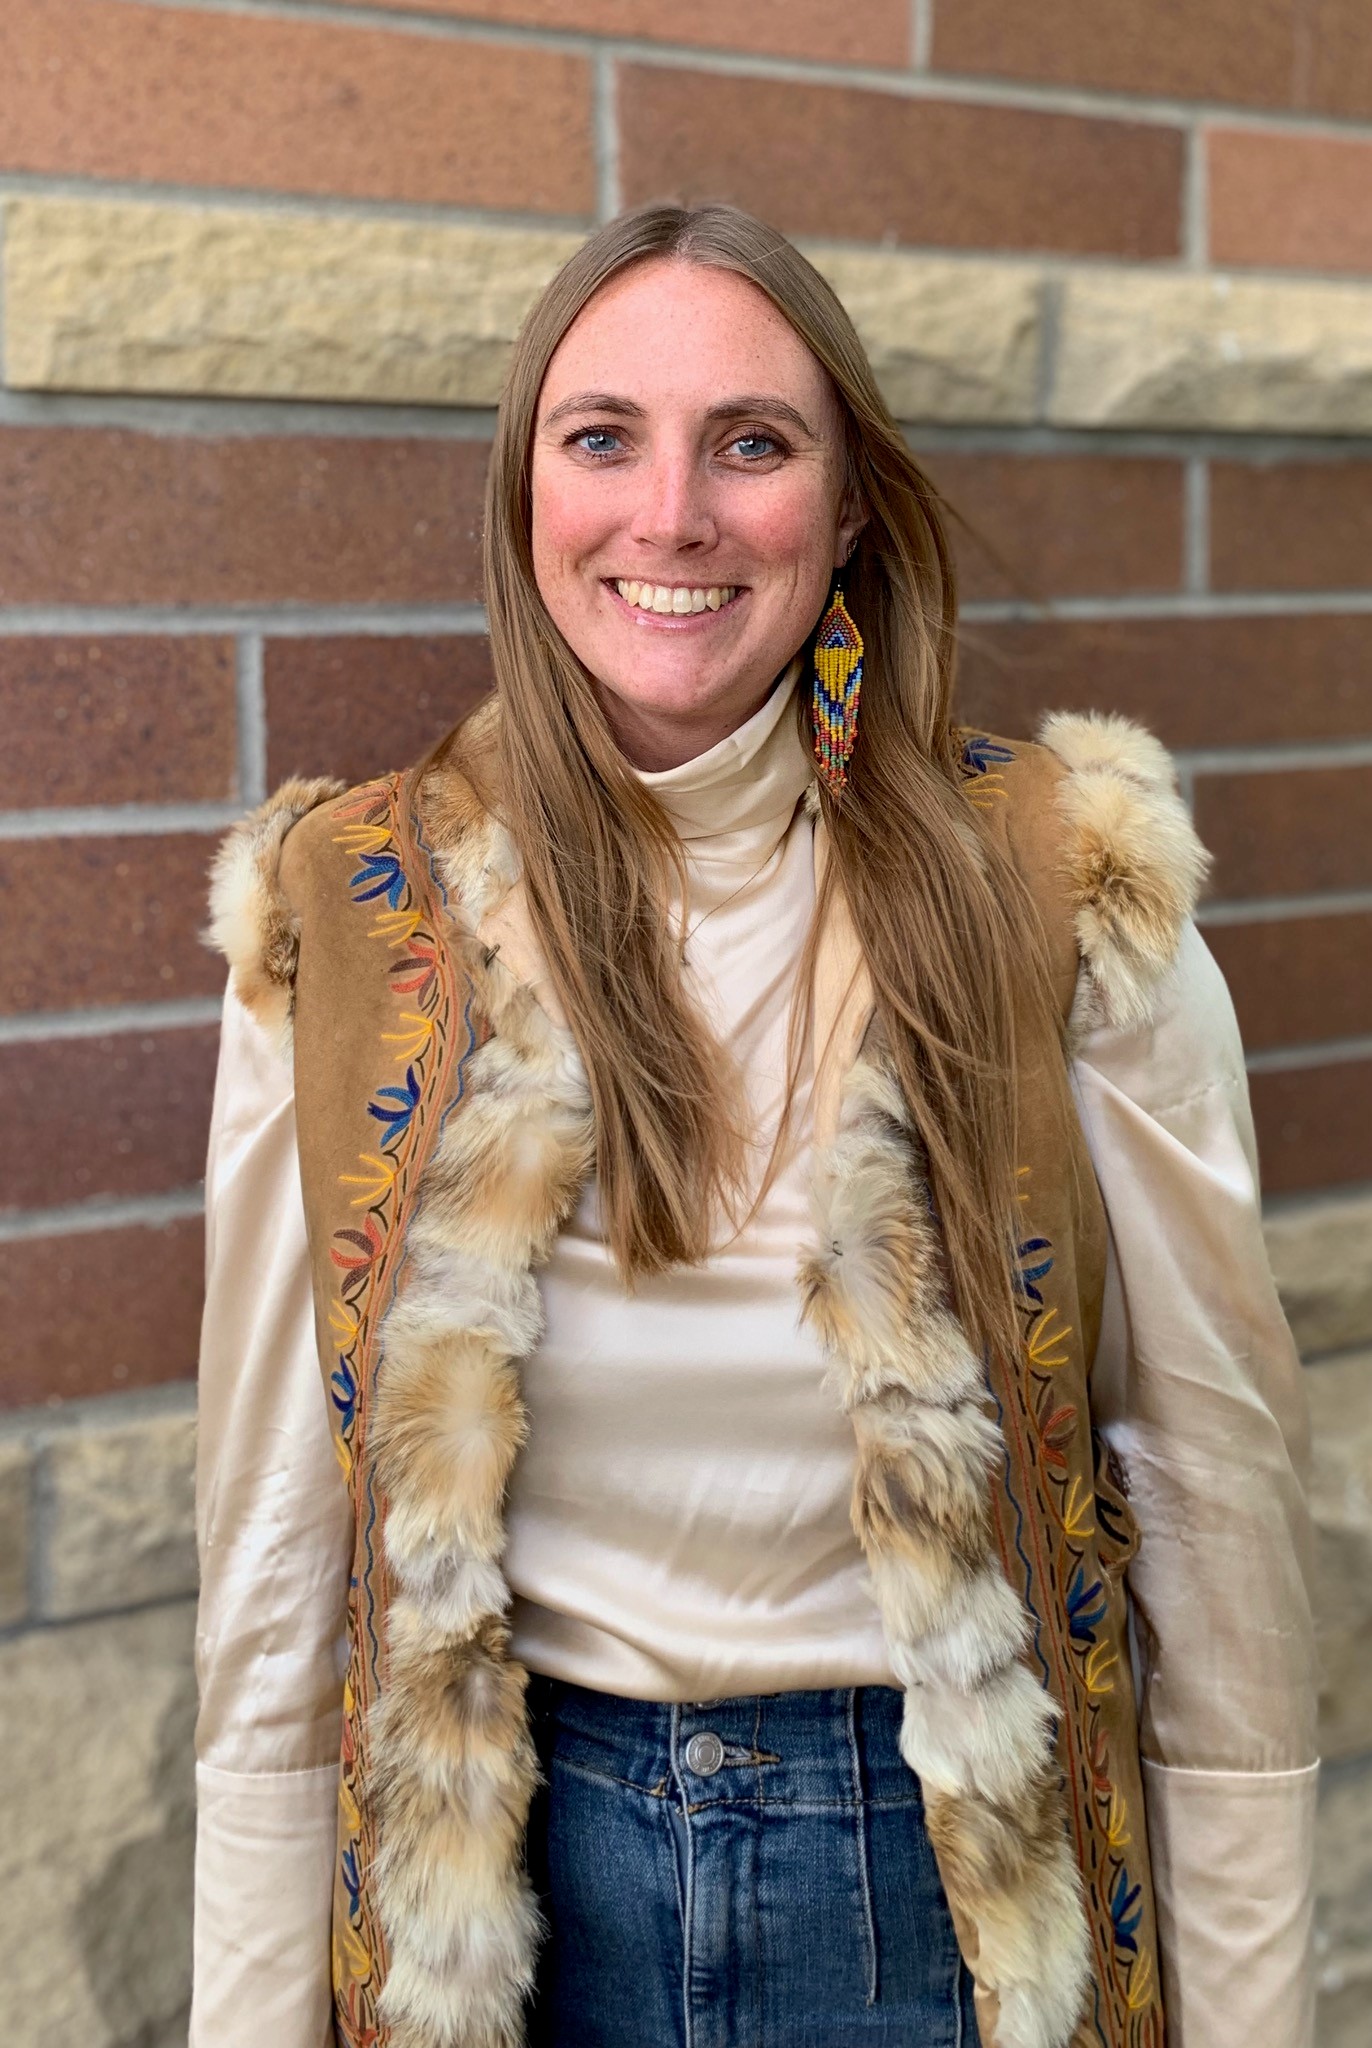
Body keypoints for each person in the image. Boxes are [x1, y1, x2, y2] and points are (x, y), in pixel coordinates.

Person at [191, 203, 1316, 2048]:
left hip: (932, 1900)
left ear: (850, 505)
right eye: (603, 437)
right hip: (502, 1911)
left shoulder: (1064, 890)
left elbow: (1214, 1503)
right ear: (526, 491)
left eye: (753, 443)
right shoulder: (350, 914)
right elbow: (271, 1545)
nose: (672, 515)